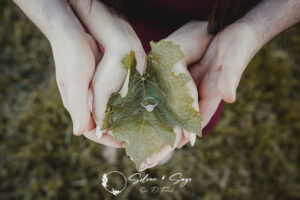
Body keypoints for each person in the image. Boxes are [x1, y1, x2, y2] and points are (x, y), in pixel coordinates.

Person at [13, 0, 300, 170]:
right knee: (108, 85)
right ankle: (123, 137)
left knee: (190, 101)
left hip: (210, 24)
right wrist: (64, 29)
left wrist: (253, 28)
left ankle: (150, 143)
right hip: (108, 16)